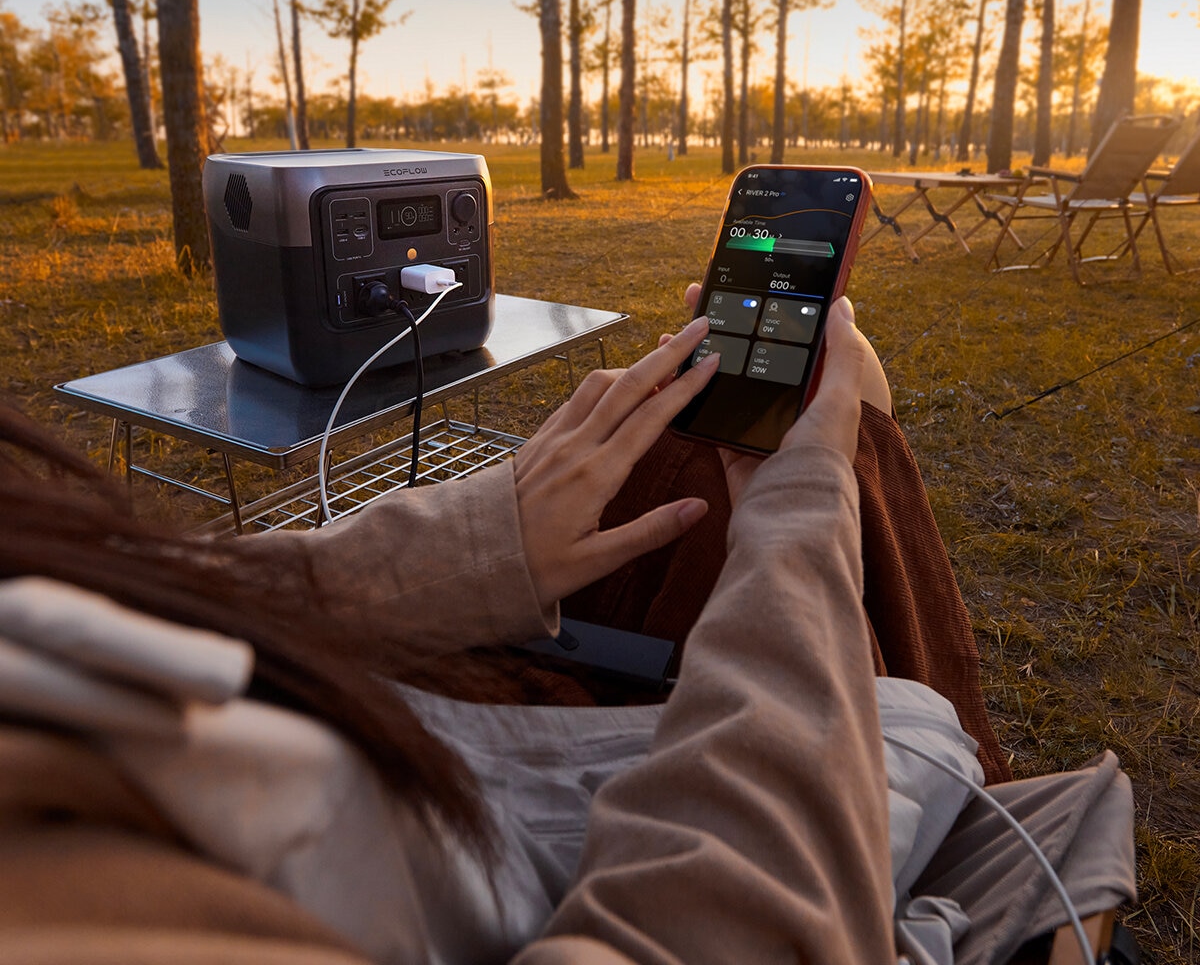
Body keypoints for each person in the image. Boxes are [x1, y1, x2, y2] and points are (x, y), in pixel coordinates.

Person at [0, 299, 1131, 965]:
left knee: (686, 455)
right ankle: (978, 792)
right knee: (834, 441)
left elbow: (132, 601)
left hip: (382, 725)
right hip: (477, 818)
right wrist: (802, 519)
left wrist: (490, 538)